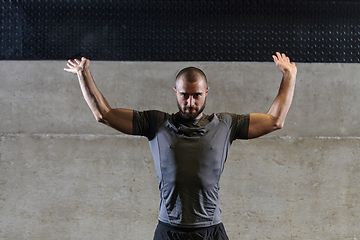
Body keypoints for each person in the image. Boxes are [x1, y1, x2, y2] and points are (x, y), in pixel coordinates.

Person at [64, 52, 297, 240]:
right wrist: (83, 74)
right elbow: (104, 115)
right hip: (169, 230)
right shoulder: (156, 123)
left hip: (210, 230)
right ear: (176, 92)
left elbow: (275, 121)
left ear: (206, 92)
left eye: (196, 95)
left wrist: (289, 75)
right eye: (185, 95)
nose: (190, 102)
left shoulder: (226, 125)